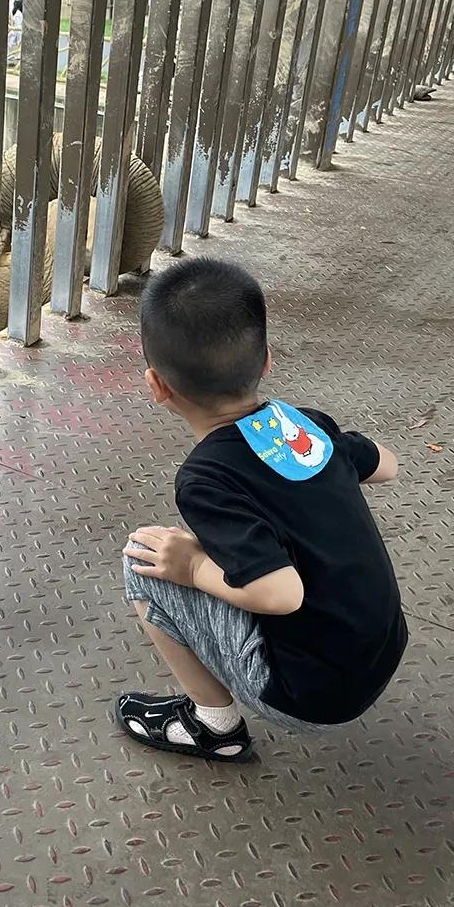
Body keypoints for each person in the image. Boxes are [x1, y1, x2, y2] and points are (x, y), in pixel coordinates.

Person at [117, 258, 406, 760]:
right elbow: (388, 466)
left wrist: (191, 567)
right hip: (380, 649)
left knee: (145, 561)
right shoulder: (303, 426)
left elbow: (281, 593)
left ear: (157, 386)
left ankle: (214, 727)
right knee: (225, 550)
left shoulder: (207, 479)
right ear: (267, 360)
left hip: (311, 697)